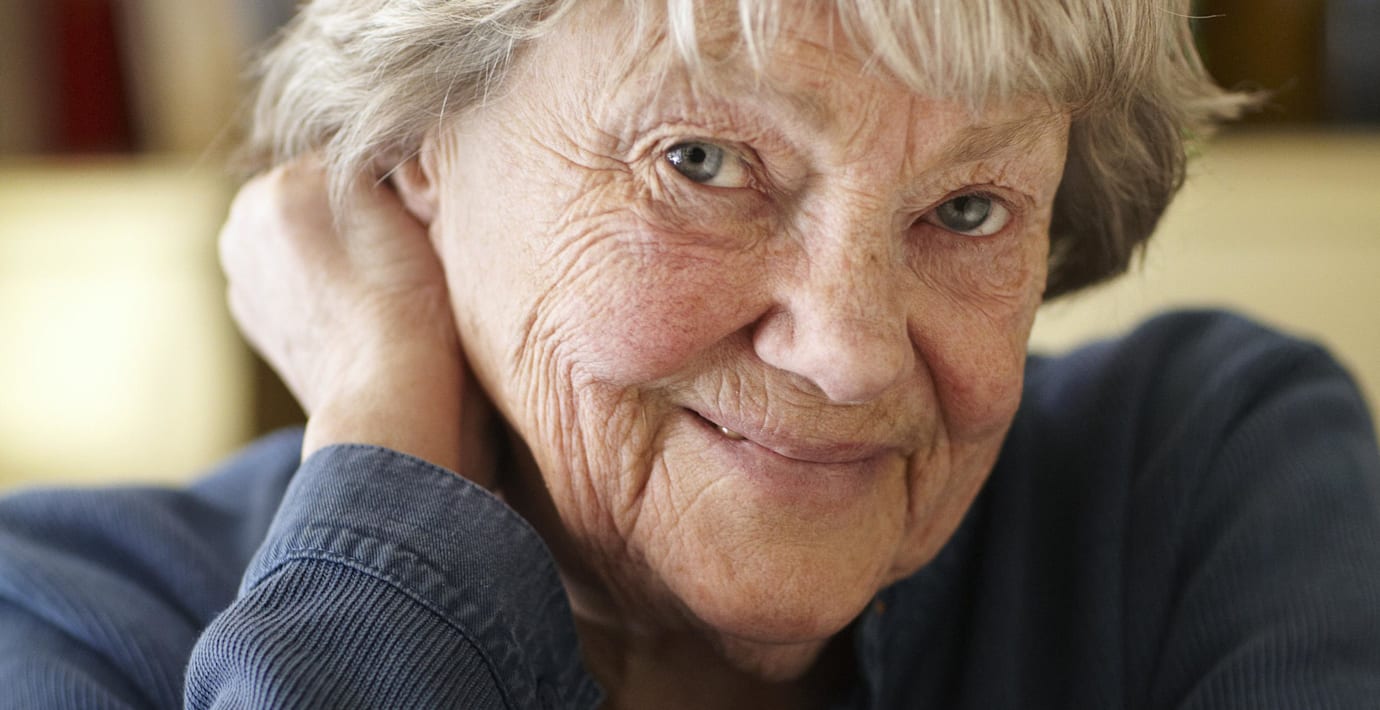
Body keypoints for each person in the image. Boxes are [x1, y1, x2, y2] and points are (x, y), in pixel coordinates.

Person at [3, 0, 1379, 707]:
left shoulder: (1201, 487)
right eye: (704, 162)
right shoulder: (65, 622)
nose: (848, 351)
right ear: (412, 150)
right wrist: (384, 424)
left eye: (968, 210)